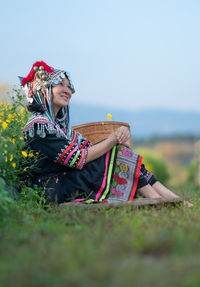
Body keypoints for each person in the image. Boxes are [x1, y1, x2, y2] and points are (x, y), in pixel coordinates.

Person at [19, 61, 184, 206]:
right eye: (60, 84)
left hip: (64, 180)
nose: (67, 90)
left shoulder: (61, 128)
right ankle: (158, 202)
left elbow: (89, 148)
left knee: (121, 154)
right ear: (44, 89)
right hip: (46, 189)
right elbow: (77, 158)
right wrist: (112, 140)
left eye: (69, 87)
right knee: (114, 155)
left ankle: (173, 199)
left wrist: (119, 144)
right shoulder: (39, 127)